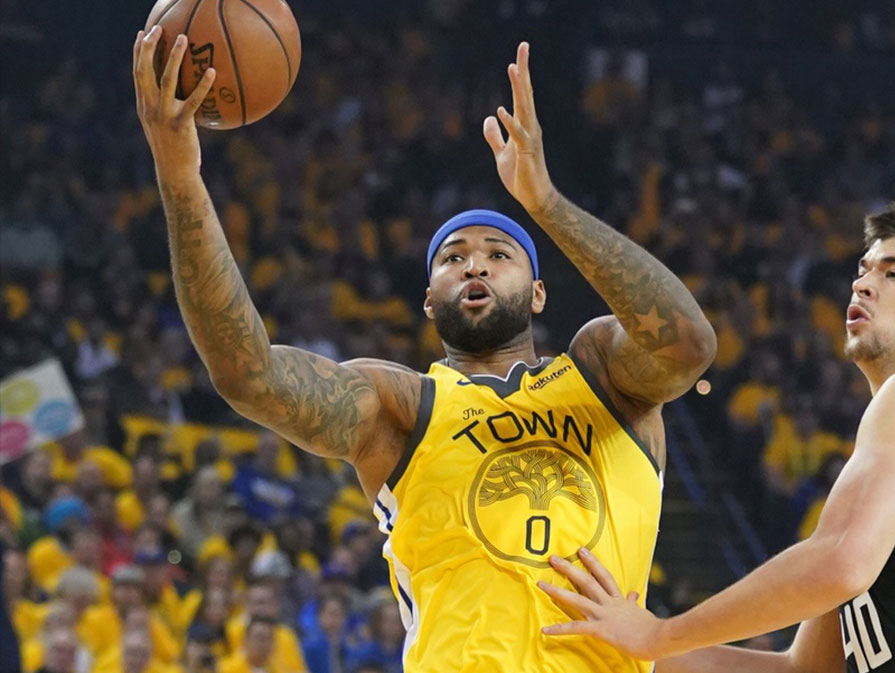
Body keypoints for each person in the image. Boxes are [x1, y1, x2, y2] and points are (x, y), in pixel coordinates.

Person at [133, 28, 713, 673]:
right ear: (428, 299)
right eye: (453, 258)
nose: (476, 267)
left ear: (541, 293)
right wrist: (180, 176)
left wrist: (545, 204)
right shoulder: (400, 405)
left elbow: (688, 345)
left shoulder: (603, 373)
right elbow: (248, 375)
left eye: (500, 255)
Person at [538, 204, 895, 672]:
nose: (864, 286)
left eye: (893, 273)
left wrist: (661, 635)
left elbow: (841, 561)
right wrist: (628, 657)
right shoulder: (891, 475)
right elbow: (802, 671)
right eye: (862, 272)